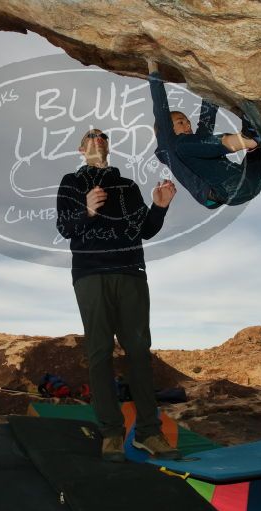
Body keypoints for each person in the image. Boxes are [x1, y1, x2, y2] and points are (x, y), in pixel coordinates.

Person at [56, 127, 181, 462]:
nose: (97, 138)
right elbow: (65, 227)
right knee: (99, 352)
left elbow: (145, 229)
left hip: (130, 273)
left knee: (139, 351)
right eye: (90, 136)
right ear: (81, 149)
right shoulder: (70, 183)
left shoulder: (128, 186)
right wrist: (87, 210)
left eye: (102, 136)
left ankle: (148, 433)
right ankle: (111, 432)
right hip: (90, 274)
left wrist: (159, 207)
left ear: (108, 147)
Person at [147, 58, 261, 209]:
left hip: (251, 180)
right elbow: (160, 107)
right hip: (226, 190)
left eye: (188, 122)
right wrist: (153, 68)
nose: (188, 125)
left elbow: (207, 117)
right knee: (181, 146)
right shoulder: (168, 144)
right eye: (181, 122)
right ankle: (248, 138)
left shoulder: (197, 146)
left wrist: (211, 79)